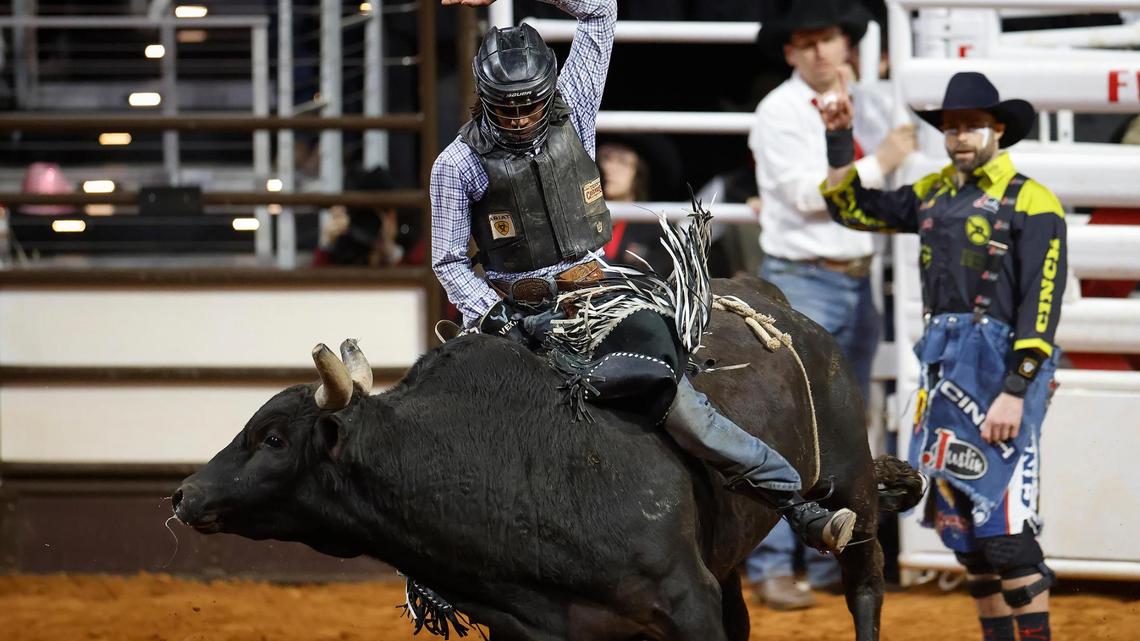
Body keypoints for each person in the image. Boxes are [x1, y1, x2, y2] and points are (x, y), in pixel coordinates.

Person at [430, 0, 856, 554]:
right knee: (456, 430)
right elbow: (449, 262)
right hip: (510, 308)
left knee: (681, 405)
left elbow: (599, 10)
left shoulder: (574, 107)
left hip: (594, 296)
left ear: (547, 93)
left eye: (529, 105)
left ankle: (796, 504)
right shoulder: (456, 164)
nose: (519, 119)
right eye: (505, 109)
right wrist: (495, 314)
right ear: (485, 100)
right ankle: (445, 566)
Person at [818, 71, 1066, 641]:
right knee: (970, 541)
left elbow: (1041, 302)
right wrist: (840, 136)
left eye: (973, 125)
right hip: (945, 367)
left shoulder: (1032, 200)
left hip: (1000, 368)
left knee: (1004, 533)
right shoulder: (933, 193)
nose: (960, 135)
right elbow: (849, 208)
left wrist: (1015, 387)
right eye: (952, 126)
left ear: (997, 130)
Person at [744, 0, 917, 610]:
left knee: (844, 423)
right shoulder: (779, 111)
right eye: (808, 42)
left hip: (849, 275)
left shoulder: (864, 102)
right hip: (806, 276)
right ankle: (772, 564)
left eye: (829, 39)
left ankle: (824, 563)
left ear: (845, 45)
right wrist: (884, 160)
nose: (820, 51)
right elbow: (804, 195)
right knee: (786, 420)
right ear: (791, 51)